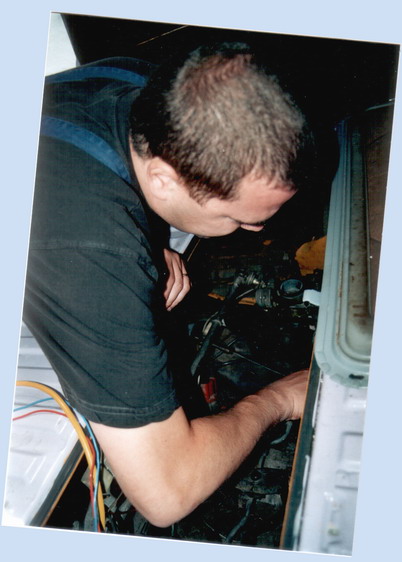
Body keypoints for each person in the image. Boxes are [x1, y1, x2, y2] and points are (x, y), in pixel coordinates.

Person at [23, 42, 311, 528]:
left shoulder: (142, 84)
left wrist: (144, 236)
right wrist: (277, 401)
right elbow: (166, 494)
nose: (257, 229)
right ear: (162, 180)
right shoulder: (89, 249)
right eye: (237, 218)